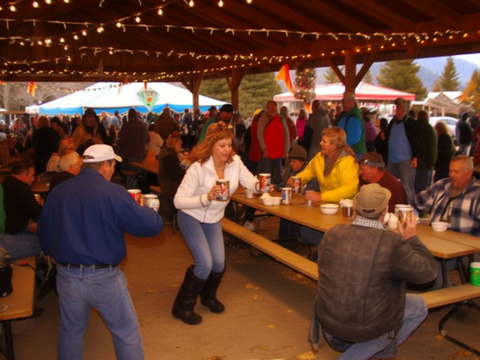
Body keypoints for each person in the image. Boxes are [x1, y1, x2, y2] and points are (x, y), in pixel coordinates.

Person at [38, 144, 163, 360]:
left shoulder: (59, 191)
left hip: (67, 276)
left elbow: (44, 229)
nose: (113, 170)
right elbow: (150, 227)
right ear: (105, 165)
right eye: (113, 165)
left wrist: (52, 252)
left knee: (70, 332)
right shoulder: (114, 192)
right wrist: (151, 211)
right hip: (103, 277)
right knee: (126, 333)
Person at [311, 183, 437, 359]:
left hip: (329, 326)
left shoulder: (332, 233)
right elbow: (429, 273)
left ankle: (369, 349)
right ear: (385, 212)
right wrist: (412, 238)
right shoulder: (392, 243)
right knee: (417, 307)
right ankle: (372, 349)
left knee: (415, 304)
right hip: (363, 330)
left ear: (355, 209)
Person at [173, 122, 259, 325]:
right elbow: (178, 201)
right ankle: (182, 306)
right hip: (190, 216)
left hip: (213, 219)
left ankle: (208, 297)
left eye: (229, 145)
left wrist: (261, 186)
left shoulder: (235, 162)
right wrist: (205, 197)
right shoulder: (198, 168)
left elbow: (250, 181)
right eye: (222, 146)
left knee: (219, 264)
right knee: (205, 264)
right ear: (211, 146)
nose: (227, 150)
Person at [414, 155, 480, 289]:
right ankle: (453, 294)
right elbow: (417, 203)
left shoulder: (477, 194)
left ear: (468, 174)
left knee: (430, 270)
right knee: (413, 263)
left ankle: (455, 296)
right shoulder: (442, 185)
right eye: (450, 171)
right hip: (435, 246)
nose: (452, 175)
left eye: (457, 172)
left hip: (465, 252)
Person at [291, 127, 359, 246]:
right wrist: (297, 179)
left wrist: (322, 196)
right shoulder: (320, 157)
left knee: (309, 231)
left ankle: (336, 252)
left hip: (344, 210)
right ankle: (331, 252)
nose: (320, 143)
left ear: (334, 146)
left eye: (324, 141)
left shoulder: (347, 162)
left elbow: (350, 188)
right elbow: (309, 171)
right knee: (306, 230)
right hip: (327, 206)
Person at [0, 158, 43, 260]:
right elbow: (38, 216)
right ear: (23, 174)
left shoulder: (4, 184)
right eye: (32, 176)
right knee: (50, 242)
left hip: (11, 231)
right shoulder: (21, 188)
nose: (33, 179)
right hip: (6, 239)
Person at [383, 97, 421, 204]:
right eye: (396, 107)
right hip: (391, 159)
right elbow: (387, 136)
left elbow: (417, 140)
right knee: (392, 185)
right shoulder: (393, 122)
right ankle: (394, 205)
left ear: (405, 109)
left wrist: (415, 157)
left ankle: (410, 206)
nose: (398, 110)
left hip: (405, 159)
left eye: (400, 107)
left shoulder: (410, 122)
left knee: (406, 186)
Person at [257, 100, 289, 184]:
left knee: (278, 174)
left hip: (278, 152)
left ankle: (277, 189)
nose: (272, 107)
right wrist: (264, 149)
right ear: (267, 107)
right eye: (270, 105)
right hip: (268, 152)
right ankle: (266, 190)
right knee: (267, 175)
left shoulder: (281, 119)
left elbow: (286, 134)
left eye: (274, 105)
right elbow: (260, 134)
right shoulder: (263, 118)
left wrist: (286, 150)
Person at [158, 135, 185, 223]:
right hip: (171, 187)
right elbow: (179, 176)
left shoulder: (165, 154)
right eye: (180, 146)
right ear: (177, 146)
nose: (180, 148)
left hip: (165, 184)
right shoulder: (171, 158)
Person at [117, 108, 150, 172]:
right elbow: (148, 139)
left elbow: (122, 140)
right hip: (140, 153)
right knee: (138, 175)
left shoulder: (126, 125)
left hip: (128, 153)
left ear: (128, 116)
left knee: (130, 175)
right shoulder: (142, 125)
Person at [336, 92, 366, 159]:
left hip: (354, 152)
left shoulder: (353, 116)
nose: (342, 104)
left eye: (344, 102)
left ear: (351, 102)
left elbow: (354, 138)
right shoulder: (348, 114)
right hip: (350, 151)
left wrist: (339, 144)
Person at [414, 110, 437, 193]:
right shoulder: (430, 129)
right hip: (425, 166)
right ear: (427, 118)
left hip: (412, 165)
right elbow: (432, 149)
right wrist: (431, 164)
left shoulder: (413, 128)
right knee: (423, 191)